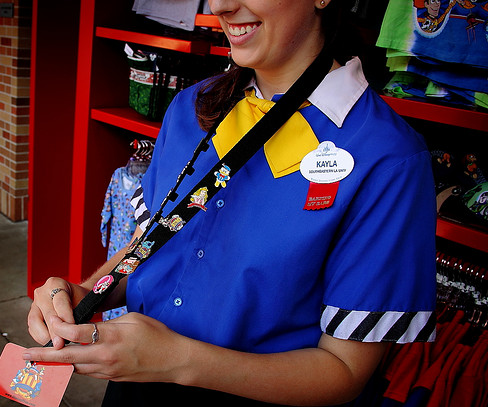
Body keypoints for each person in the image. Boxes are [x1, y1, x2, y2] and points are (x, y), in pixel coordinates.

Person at [24, 1, 437, 406]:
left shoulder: (389, 158)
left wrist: (176, 361)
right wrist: (87, 294)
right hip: (135, 386)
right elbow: (148, 247)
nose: (221, 6)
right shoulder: (192, 107)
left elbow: (345, 373)